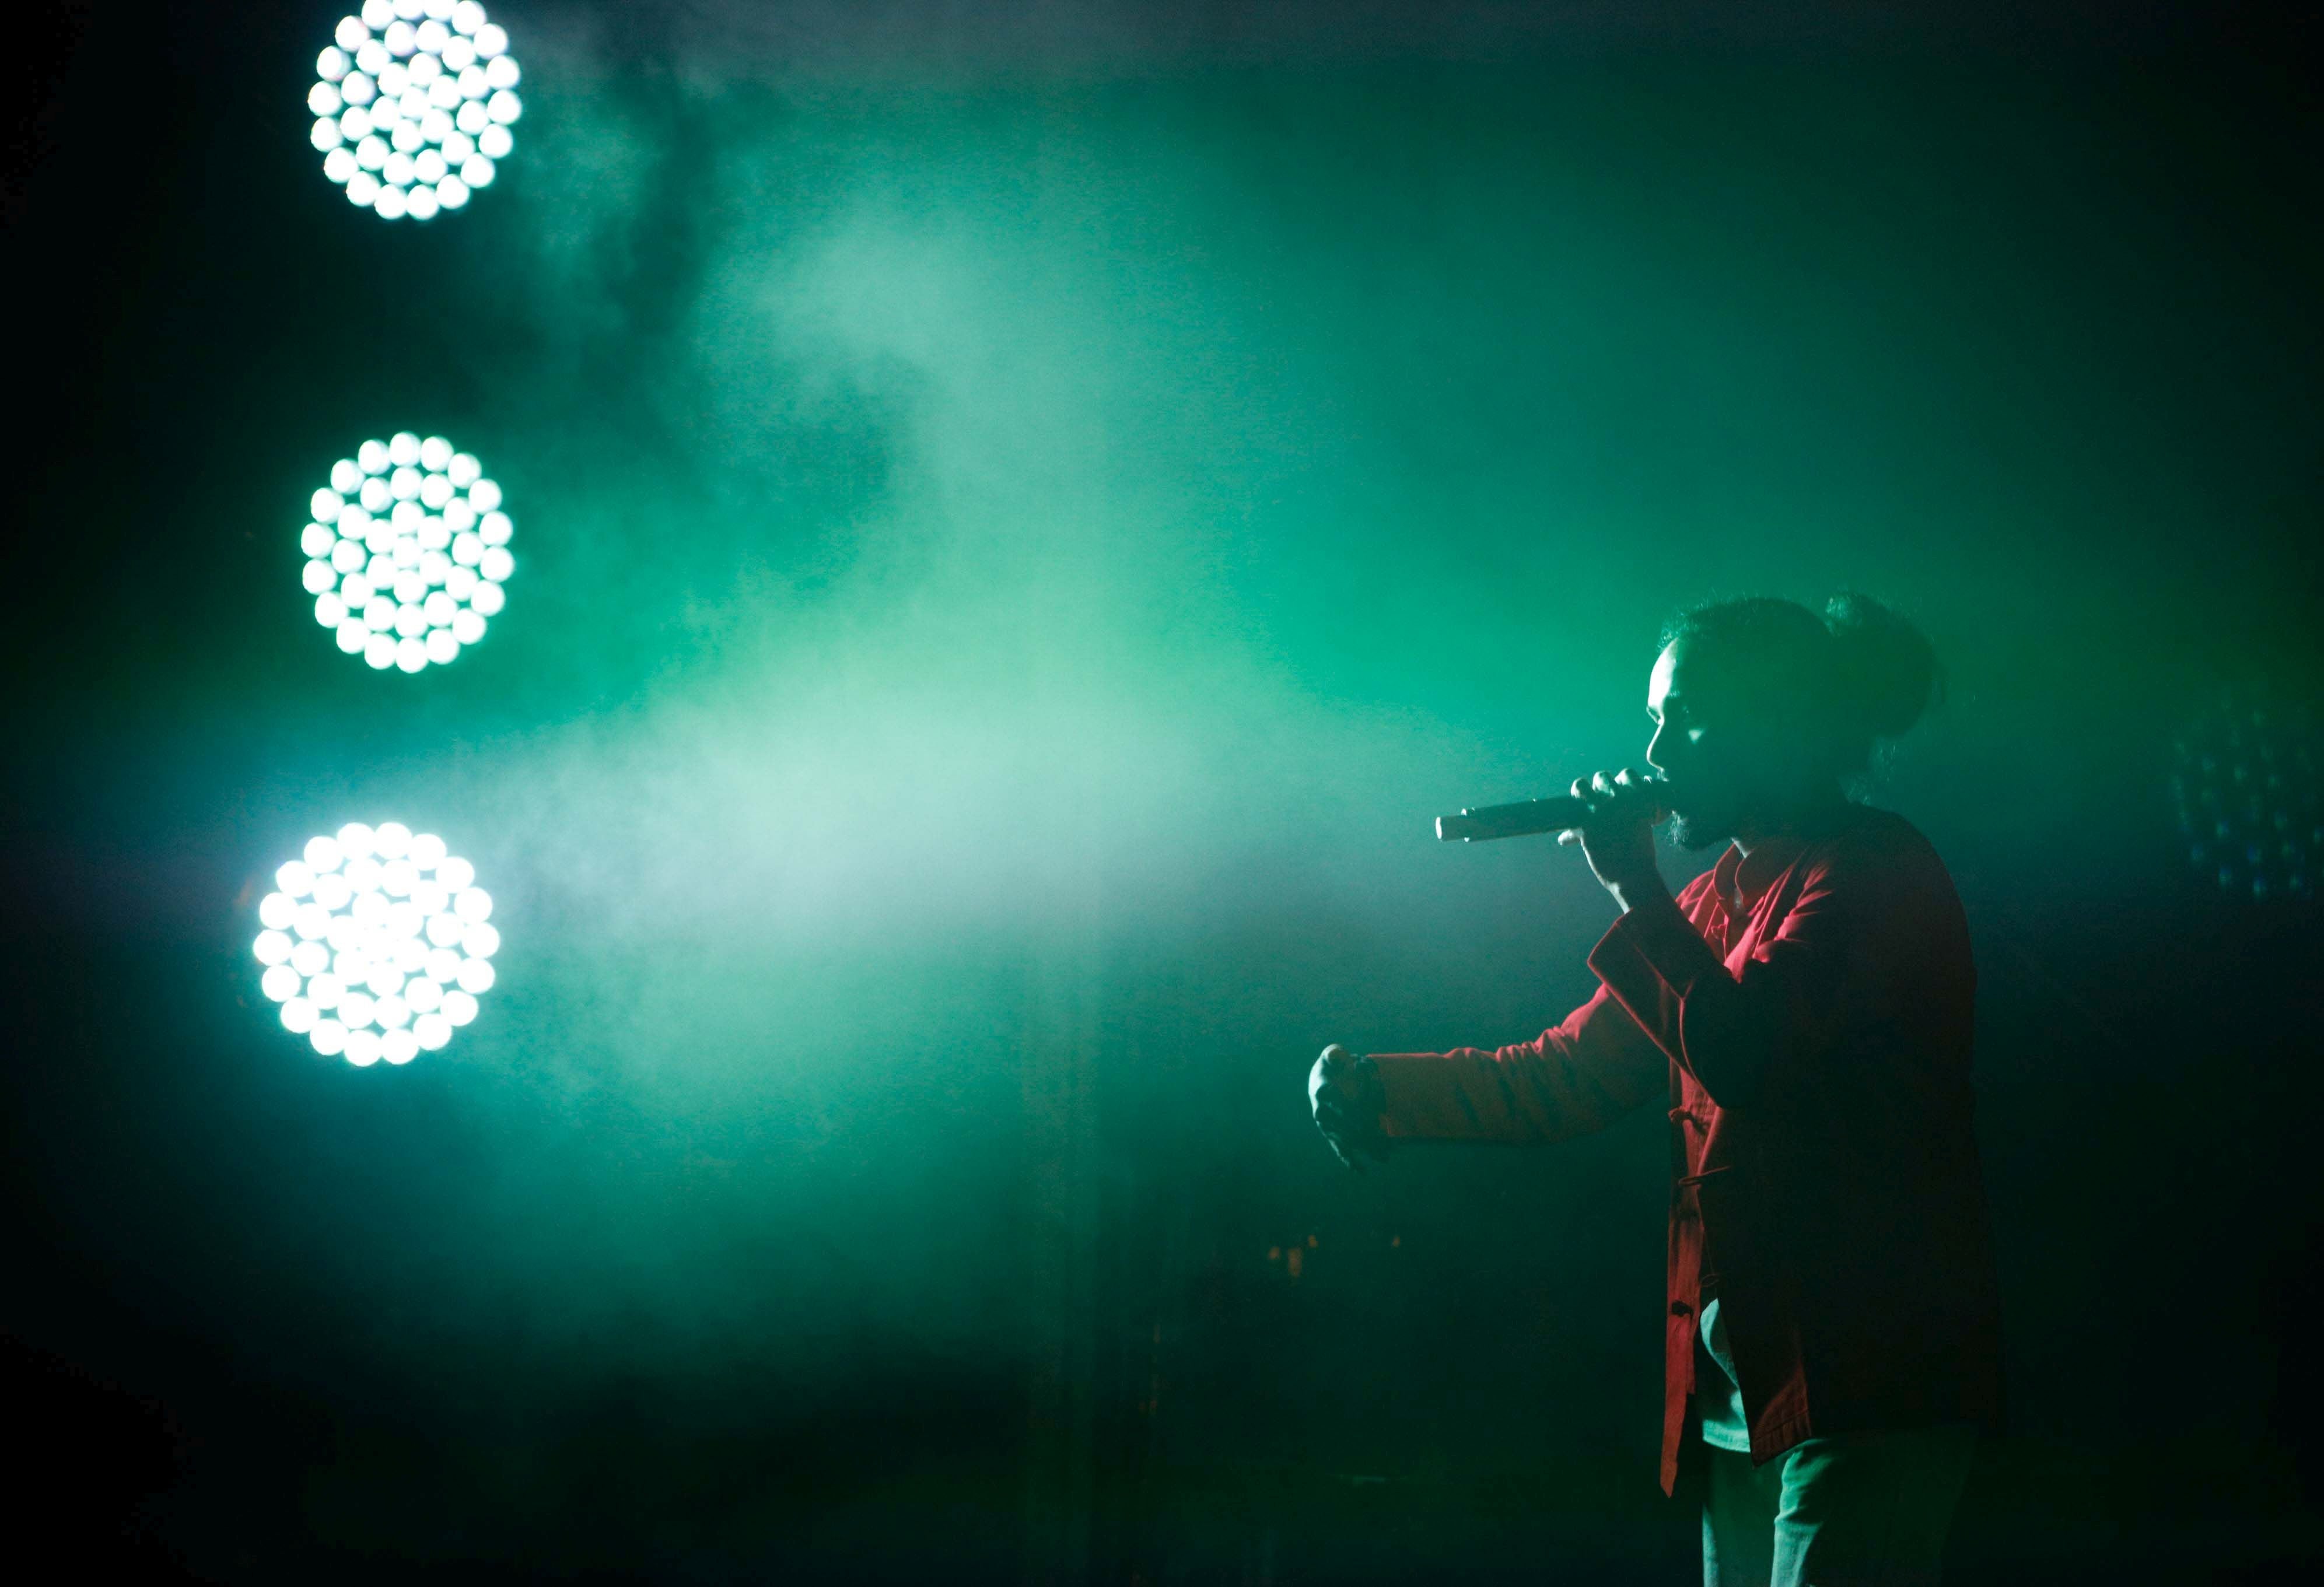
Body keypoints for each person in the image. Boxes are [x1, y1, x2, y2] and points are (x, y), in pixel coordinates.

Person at [1309, 594, 2003, 1587]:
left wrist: (1634, 888)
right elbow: (1566, 1075)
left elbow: (1753, 1059)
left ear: (1776, 721)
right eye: (1655, 717)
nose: (1654, 743)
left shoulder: (1876, 873)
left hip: (1870, 1382)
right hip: (1750, 1390)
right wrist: (1380, 1091)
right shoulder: (1717, 897)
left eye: (1684, 715)